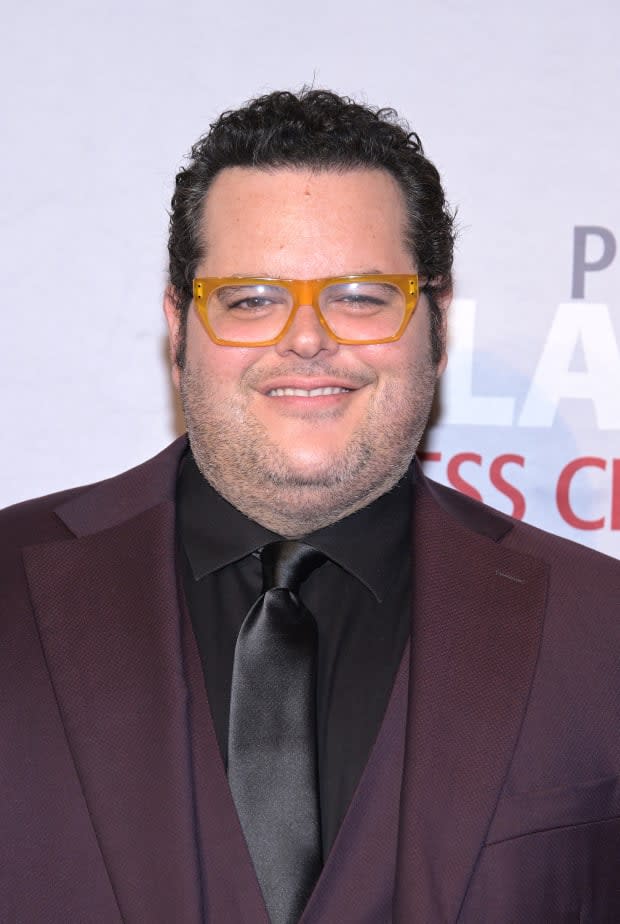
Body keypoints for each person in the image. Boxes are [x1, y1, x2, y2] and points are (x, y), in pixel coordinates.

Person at [1, 89, 619, 924]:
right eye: (251, 297)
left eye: (361, 294)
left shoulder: (599, 628)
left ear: (434, 323)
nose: (305, 336)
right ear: (178, 326)